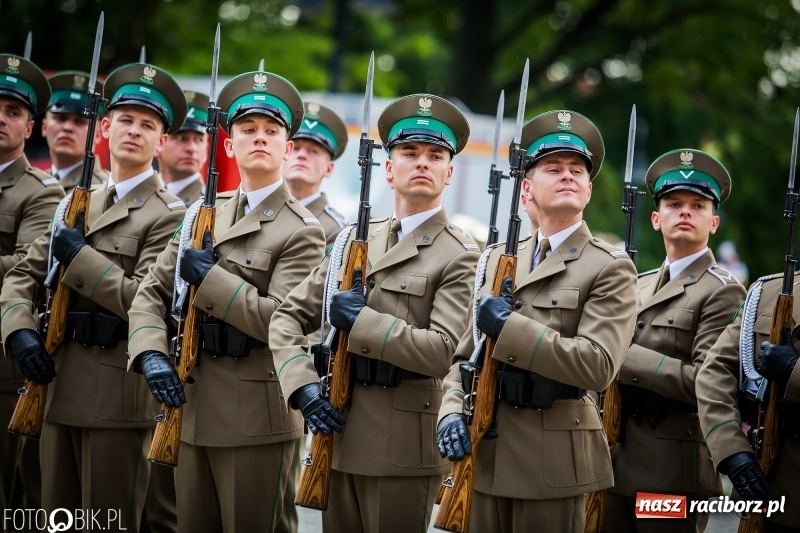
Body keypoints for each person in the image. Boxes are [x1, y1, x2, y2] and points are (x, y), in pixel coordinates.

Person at [126, 69, 326, 533]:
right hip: (192, 406)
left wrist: (211, 280)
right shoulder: (202, 214)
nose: (260, 138)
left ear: (287, 148)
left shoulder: (302, 230)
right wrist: (150, 351)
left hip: (256, 416)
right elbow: (150, 293)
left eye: (272, 131)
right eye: (248, 130)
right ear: (230, 146)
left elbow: (281, 321)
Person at [270, 94, 479, 533]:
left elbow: (442, 351)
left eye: (435, 156)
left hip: (403, 447)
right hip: (339, 433)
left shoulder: (460, 254)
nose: (421, 163)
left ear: (449, 173)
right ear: (388, 169)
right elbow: (286, 318)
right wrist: (302, 387)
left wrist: (362, 322)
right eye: (409, 153)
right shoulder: (353, 241)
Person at [0, 61, 187, 530]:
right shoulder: (75, 202)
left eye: (148, 125)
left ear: (161, 142)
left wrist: (79, 258)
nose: (134, 131)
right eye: (125, 120)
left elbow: (147, 300)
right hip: (56, 384)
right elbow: (23, 275)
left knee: (109, 520)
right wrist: (18, 329)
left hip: (117, 396)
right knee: (54, 518)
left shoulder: (170, 214)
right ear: (104, 128)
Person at [436, 110, 638, 532]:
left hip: (554, 463)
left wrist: (510, 329)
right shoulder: (497, 258)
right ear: (527, 188)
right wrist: (451, 410)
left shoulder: (609, 266)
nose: (568, 176)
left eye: (577, 170)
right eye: (554, 168)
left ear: (588, 190)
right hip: (487, 452)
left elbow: (597, 365)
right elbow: (463, 358)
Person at [605, 149, 746, 532]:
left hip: (671, 471)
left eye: (697, 206)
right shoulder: (639, 283)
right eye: (673, 204)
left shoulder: (723, 291)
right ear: (656, 219)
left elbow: (707, 381)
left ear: (713, 222)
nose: (685, 212)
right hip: (614, 459)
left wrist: (623, 356)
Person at [0, 52, 64, 519]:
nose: (2, 119)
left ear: (30, 127)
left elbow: (24, 270)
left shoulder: (42, 192)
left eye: (13, 111)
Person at [697, 265, 800, 525]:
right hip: (767, 484)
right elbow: (715, 371)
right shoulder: (767, 291)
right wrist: (730, 449)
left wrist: (793, 370)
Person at [284, 101, 350, 248]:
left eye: (313, 151)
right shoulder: (256, 209)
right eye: (296, 148)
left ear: (329, 168)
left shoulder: (339, 230)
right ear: (283, 154)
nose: (302, 155)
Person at [42, 70, 108, 192]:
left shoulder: (105, 190)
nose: (67, 127)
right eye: (61, 118)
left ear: (98, 134)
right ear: (44, 127)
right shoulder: (34, 183)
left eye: (79, 122)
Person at [157, 90, 208, 207]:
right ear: (159, 143)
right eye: (182, 138)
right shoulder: (136, 194)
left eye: (199, 140)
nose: (192, 148)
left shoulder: (211, 208)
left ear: (206, 150)